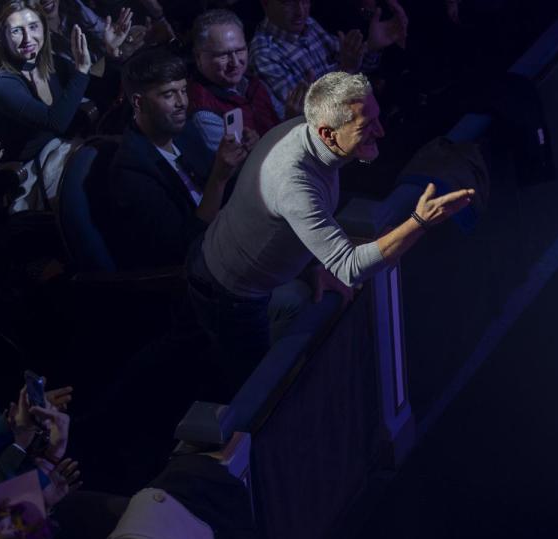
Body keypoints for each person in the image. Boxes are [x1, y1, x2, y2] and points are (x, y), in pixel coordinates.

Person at [187, 71, 474, 393]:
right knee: (254, 396)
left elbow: (292, 226)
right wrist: (420, 221)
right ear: (327, 133)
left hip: (240, 271)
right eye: (366, 128)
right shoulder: (295, 183)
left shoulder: (309, 135)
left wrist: (313, 265)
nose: (380, 132)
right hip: (229, 295)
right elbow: (350, 268)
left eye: (377, 119)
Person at [103, 48, 248, 270]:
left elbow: (224, 195)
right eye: (169, 94)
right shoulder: (130, 169)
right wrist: (219, 177)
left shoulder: (185, 132)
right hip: (195, 277)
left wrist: (239, 161)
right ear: (139, 103)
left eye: (183, 90)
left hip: (231, 241)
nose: (182, 102)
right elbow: (183, 250)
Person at [0, 0, 92, 211]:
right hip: (31, 171)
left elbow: (94, 85)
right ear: (1, 38)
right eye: (16, 31)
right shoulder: (1, 83)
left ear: (43, 26)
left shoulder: (48, 61)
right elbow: (55, 122)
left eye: (33, 27)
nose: (27, 39)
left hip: (64, 151)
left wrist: (112, 52)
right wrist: (81, 70)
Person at [249, 0, 407, 119]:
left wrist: (372, 46)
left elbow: (356, 66)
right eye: (288, 2)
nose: (300, 11)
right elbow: (307, 119)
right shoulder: (264, 54)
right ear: (265, 3)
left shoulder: (309, 24)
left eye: (304, 0)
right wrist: (345, 71)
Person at [187, 9, 279, 153]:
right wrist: (254, 151)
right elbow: (233, 170)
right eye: (223, 55)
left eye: (240, 50)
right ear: (198, 58)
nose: (235, 63)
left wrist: (292, 119)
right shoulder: (203, 112)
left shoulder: (252, 82)